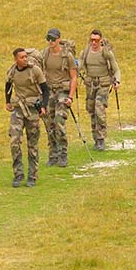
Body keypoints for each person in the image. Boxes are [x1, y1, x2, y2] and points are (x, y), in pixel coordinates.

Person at [5, 48, 49, 187]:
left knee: (32, 144)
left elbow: (45, 89)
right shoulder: (12, 71)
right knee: (14, 142)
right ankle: (18, 174)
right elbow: (8, 85)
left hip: (32, 110)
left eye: (26, 57)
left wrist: (43, 106)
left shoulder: (35, 70)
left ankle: (32, 176)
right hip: (18, 109)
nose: (25, 59)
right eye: (22, 57)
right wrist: (7, 101)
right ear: (16, 59)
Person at [41, 28, 77, 167]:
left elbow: (74, 77)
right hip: (49, 92)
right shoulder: (44, 54)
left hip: (62, 91)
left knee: (59, 121)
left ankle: (63, 154)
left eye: (53, 39)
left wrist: (70, 97)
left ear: (58, 39)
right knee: (49, 123)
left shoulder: (66, 56)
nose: (50, 41)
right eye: (48, 38)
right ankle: (53, 154)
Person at [79, 29, 121, 151]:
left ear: (101, 40)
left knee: (99, 110)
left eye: (96, 40)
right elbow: (79, 65)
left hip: (103, 85)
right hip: (90, 85)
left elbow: (116, 69)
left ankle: (101, 138)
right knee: (91, 111)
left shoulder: (106, 53)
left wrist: (117, 81)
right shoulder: (85, 52)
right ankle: (95, 138)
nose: (94, 43)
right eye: (92, 40)